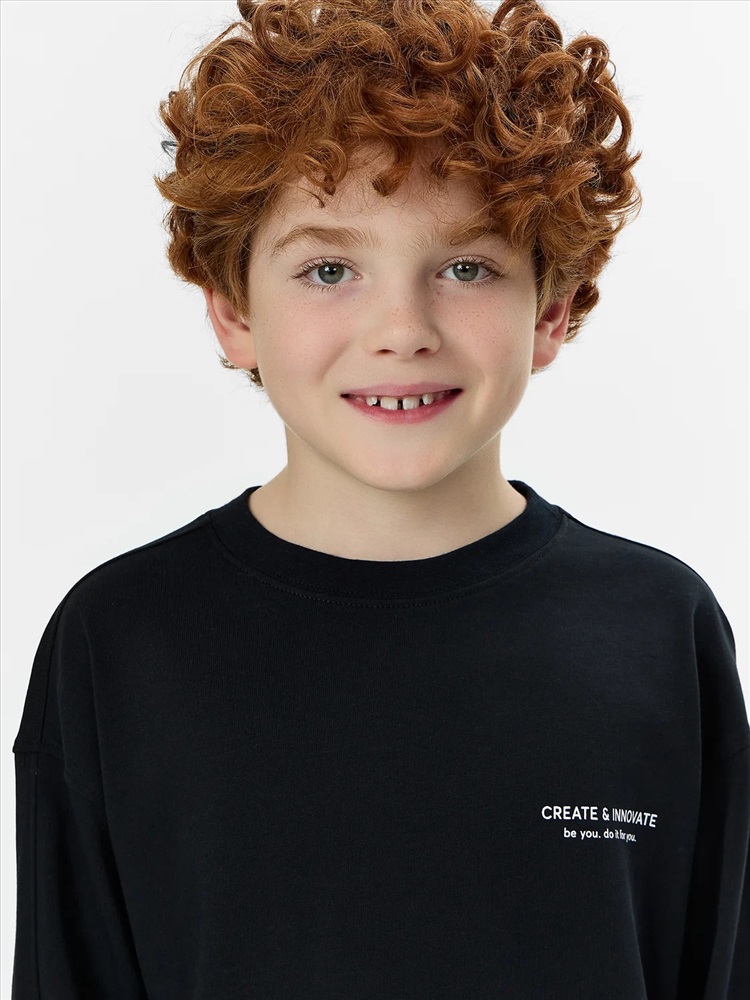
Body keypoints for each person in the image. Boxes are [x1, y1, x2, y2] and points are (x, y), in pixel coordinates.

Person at [11, 0, 748, 997]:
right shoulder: (121, 641)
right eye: (329, 269)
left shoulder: (659, 629)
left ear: (553, 306)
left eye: (466, 267)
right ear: (232, 309)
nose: (402, 328)